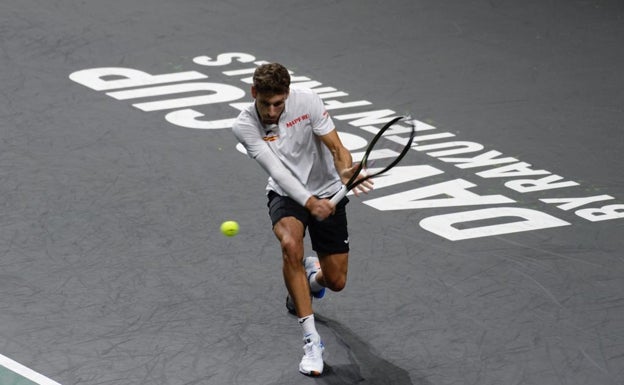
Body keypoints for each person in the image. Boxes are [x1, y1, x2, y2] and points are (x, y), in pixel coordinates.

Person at [231, 63, 372, 376]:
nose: (271, 110)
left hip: (327, 189)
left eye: (278, 103)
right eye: (265, 103)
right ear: (254, 93)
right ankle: (311, 342)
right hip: (286, 194)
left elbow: (336, 147)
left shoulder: (307, 101)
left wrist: (344, 170)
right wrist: (309, 202)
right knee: (290, 244)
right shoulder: (244, 125)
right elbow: (277, 171)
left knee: (335, 282)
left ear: (287, 95)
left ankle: (311, 278)